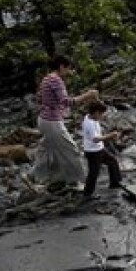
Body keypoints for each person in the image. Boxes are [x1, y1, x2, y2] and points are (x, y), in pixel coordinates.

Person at [32, 55, 98, 190]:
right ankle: (75, 182)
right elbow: (66, 101)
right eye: (69, 69)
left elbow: (40, 98)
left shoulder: (46, 78)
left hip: (44, 119)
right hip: (52, 122)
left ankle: (42, 177)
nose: (70, 72)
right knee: (71, 149)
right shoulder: (56, 80)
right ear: (62, 66)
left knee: (49, 151)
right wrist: (88, 95)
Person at [81, 101, 122, 197]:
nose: (101, 116)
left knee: (112, 161)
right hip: (93, 151)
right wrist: (110, 135)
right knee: (93, 173)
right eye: (100, 114)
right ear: (95, 112)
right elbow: (95, 139)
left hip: (98, 149)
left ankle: (115, 183)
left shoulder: (89, 117)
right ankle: (87, 194)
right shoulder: (90, 124)